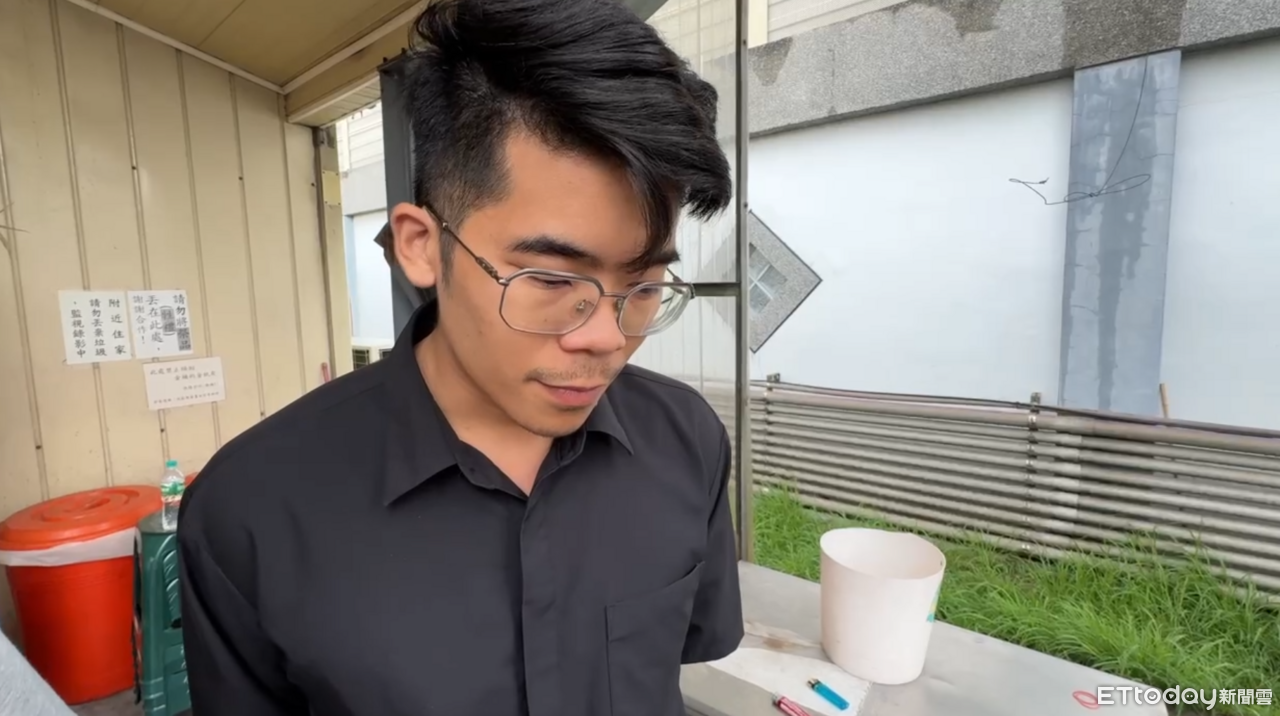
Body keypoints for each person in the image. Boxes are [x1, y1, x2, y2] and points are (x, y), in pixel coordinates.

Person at [176, 0, 743, 713]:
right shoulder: (250, 509)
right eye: (550, 280)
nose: (605, 336)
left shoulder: (686, 442)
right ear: (421, 245)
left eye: (646, 285)